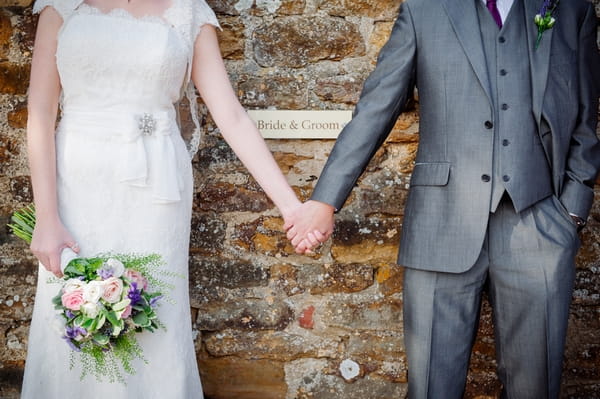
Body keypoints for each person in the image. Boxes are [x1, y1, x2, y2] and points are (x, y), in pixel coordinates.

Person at [286, 0, 600, 397]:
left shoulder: (571, 10)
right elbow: (376, 108)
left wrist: (571, 210)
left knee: (535, 388)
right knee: (433, 386)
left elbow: (586, 118)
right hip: (440, 224)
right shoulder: (424, 9)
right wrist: (325, 200)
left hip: (538, 221)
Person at [22, 0, 305, 397]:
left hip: (156, 189)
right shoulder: (62, 5)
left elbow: (232, 115)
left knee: (150, 315)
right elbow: (39, 112)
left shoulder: (188, 12)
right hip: (77, 186)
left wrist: (292, 206)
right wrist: (46, 218)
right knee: (73, 314)